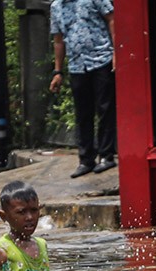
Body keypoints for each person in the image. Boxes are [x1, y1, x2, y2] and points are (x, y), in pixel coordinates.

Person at [49, 0, 117, 179]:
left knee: (105, 108)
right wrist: (58, 71)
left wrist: (117, 51)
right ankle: (86, 159)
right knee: (83, 113)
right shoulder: (56, 7)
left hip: (102, 58)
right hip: (77, 65)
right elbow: (58, 40)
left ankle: (106, 155)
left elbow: (112, 19)